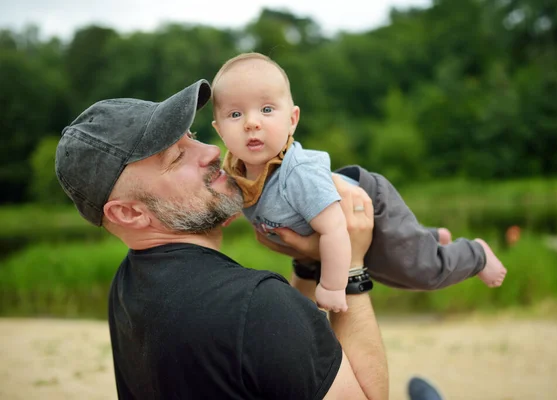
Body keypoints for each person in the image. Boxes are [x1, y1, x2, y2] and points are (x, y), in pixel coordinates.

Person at [55, 80, 389, 399]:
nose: (212, 151)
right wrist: (351, 265)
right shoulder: (256, 306)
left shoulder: (129, 286)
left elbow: (270, 354)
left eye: (193, 136)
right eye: (175, 157)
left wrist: (307, 262)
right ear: (129, 214)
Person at [210, 52, 507, 311]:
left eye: (266, 109)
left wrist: (333, 286)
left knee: (418, 272)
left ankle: (475, 253)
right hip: (328, 220)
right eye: (235, 114)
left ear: (292, 119)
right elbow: (244, 192)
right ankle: (428, 237)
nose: (252, 122)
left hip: (362, 204)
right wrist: (228, 210)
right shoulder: (235, 168)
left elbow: (336, 229)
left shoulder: (299, 175)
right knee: (392, 258)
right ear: (220, 130)